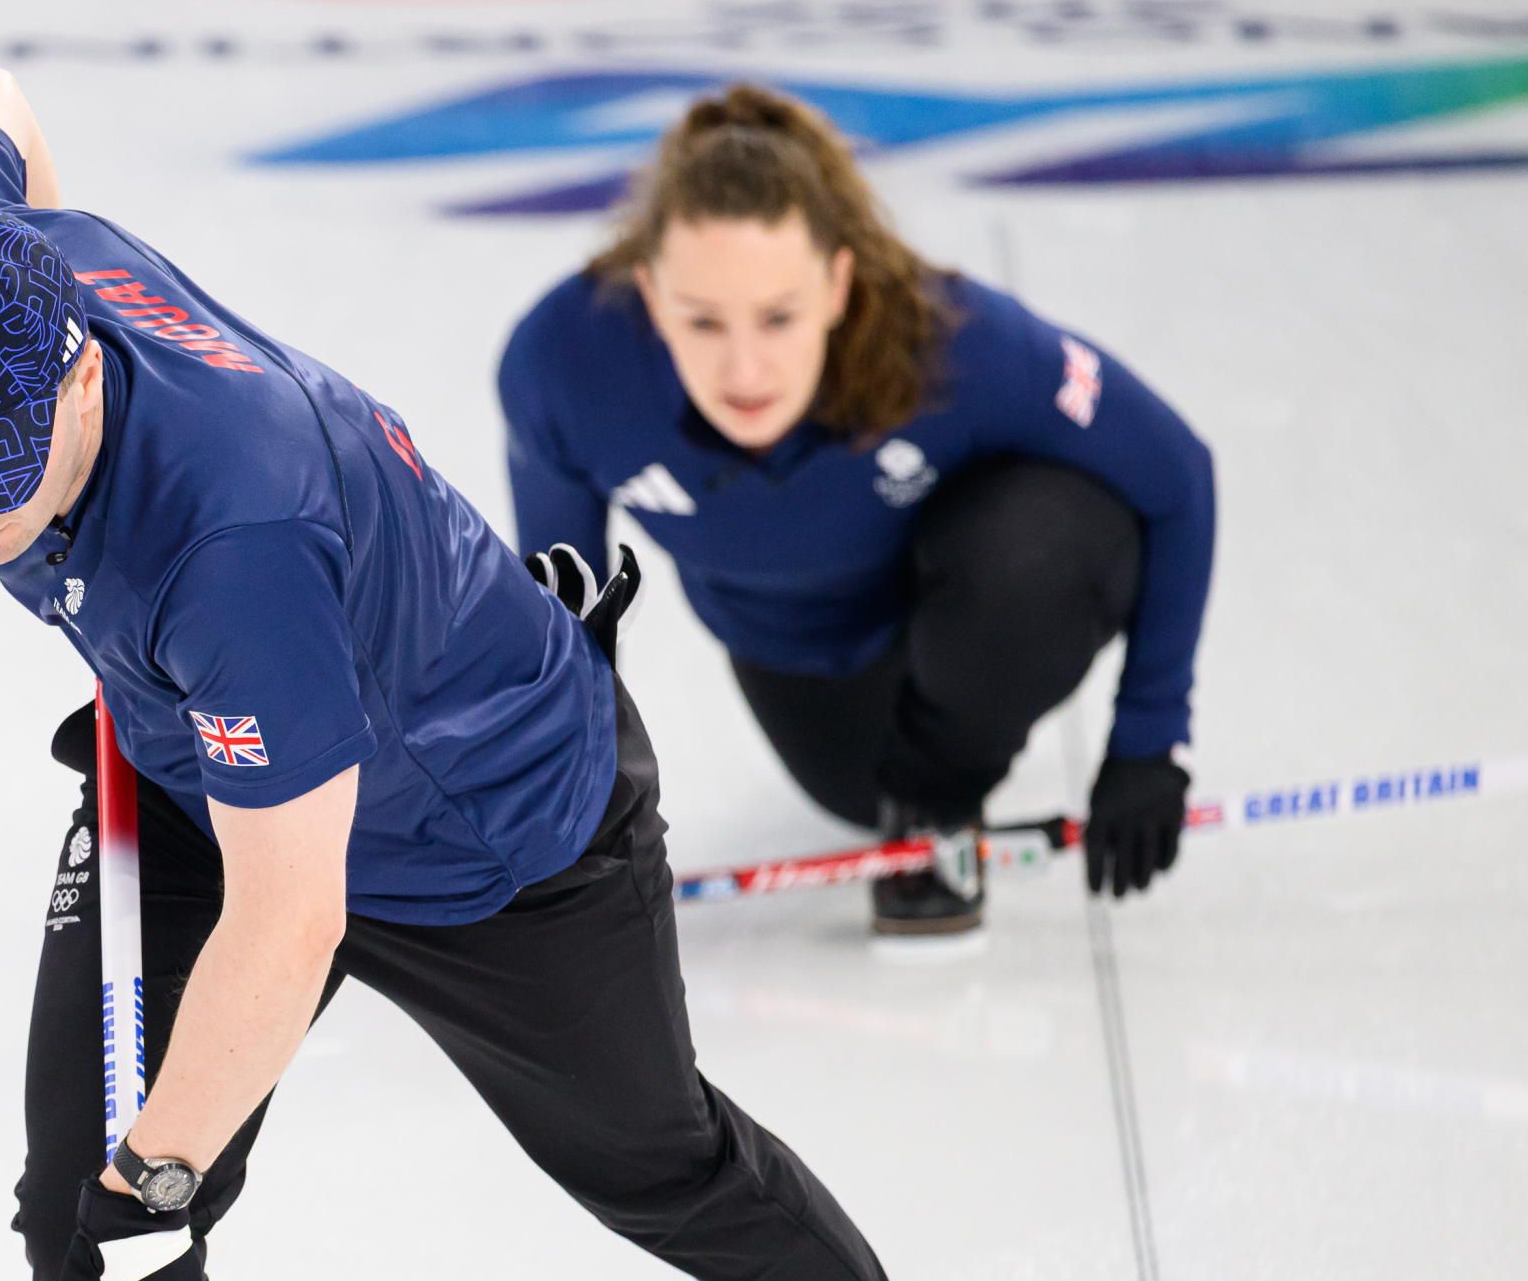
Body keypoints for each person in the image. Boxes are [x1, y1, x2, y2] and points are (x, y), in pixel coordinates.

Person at [0, 68, 1028, 1281]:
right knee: (78, 1234)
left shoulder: (235, 531)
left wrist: (160, 1184)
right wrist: (131, 1208)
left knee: (654, 1164)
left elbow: (291, 913)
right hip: (213, 765)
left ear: (81, 367)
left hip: (488, 831)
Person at [500, 84, 1218, 934]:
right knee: (858, 788)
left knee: (1051, 537)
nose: (745, 371)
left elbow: (1177, 474)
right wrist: (551, 830)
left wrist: (1149, 740)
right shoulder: (565, 366)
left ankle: (938, 793)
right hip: (812, 683)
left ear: (838, 286)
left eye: (779, 318)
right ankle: (902, 791)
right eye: (703, 322)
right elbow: (562, 620)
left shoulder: (953, 340)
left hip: (980, 617)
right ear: (651, 295)